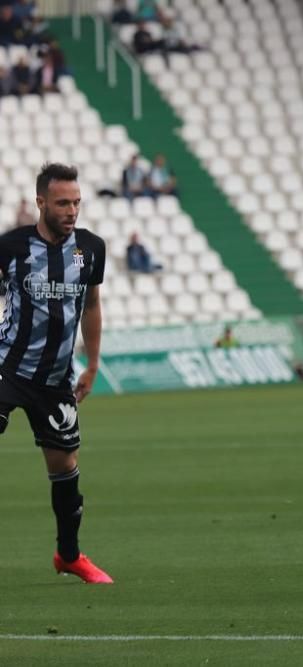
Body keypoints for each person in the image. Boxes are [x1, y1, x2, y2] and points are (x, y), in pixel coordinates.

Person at [0, 164, 112, 583]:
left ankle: (69, 556)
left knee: (65, 465)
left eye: (77, 202)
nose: (72, 210)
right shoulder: (11, 247)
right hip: (7, 368)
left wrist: (93, 364)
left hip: (56, 380)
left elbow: (92, 306)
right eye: (63, 202)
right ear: (41, 203)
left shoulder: (91, 249)